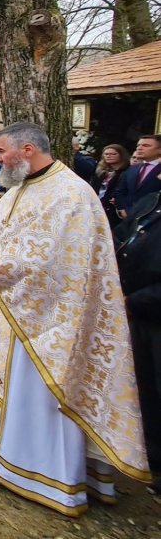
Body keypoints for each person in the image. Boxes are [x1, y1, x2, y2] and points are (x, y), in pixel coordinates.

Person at [0, 123, 149, 514]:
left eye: (1, 151)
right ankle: (5, 449)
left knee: (42, 390)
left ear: (28, 149)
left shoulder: (71, 194)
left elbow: (46, 259)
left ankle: (42, 469)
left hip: (52, 319)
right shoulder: (22, 187)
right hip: (14, 306)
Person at [115, 189, 161, 493]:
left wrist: (136, 300)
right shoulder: (151, 200)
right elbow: (123, 232)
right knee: (146, 385)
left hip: (149, 304)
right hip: (138, 309)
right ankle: (152, 454)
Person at [113, 134, 161, 218]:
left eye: (146, 145)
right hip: (128, 218)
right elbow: (120, 191)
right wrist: (122, 208)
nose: (139, 148)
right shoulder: (132, 169)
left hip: (154, 219)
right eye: (138, 145)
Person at [91, 143, 130, 227]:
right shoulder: (99, 171)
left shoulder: (126, 172)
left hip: (113, 209)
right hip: (97, 206)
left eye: (113, 154)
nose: (109, 156)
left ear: (121, 155)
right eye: (106, 154)